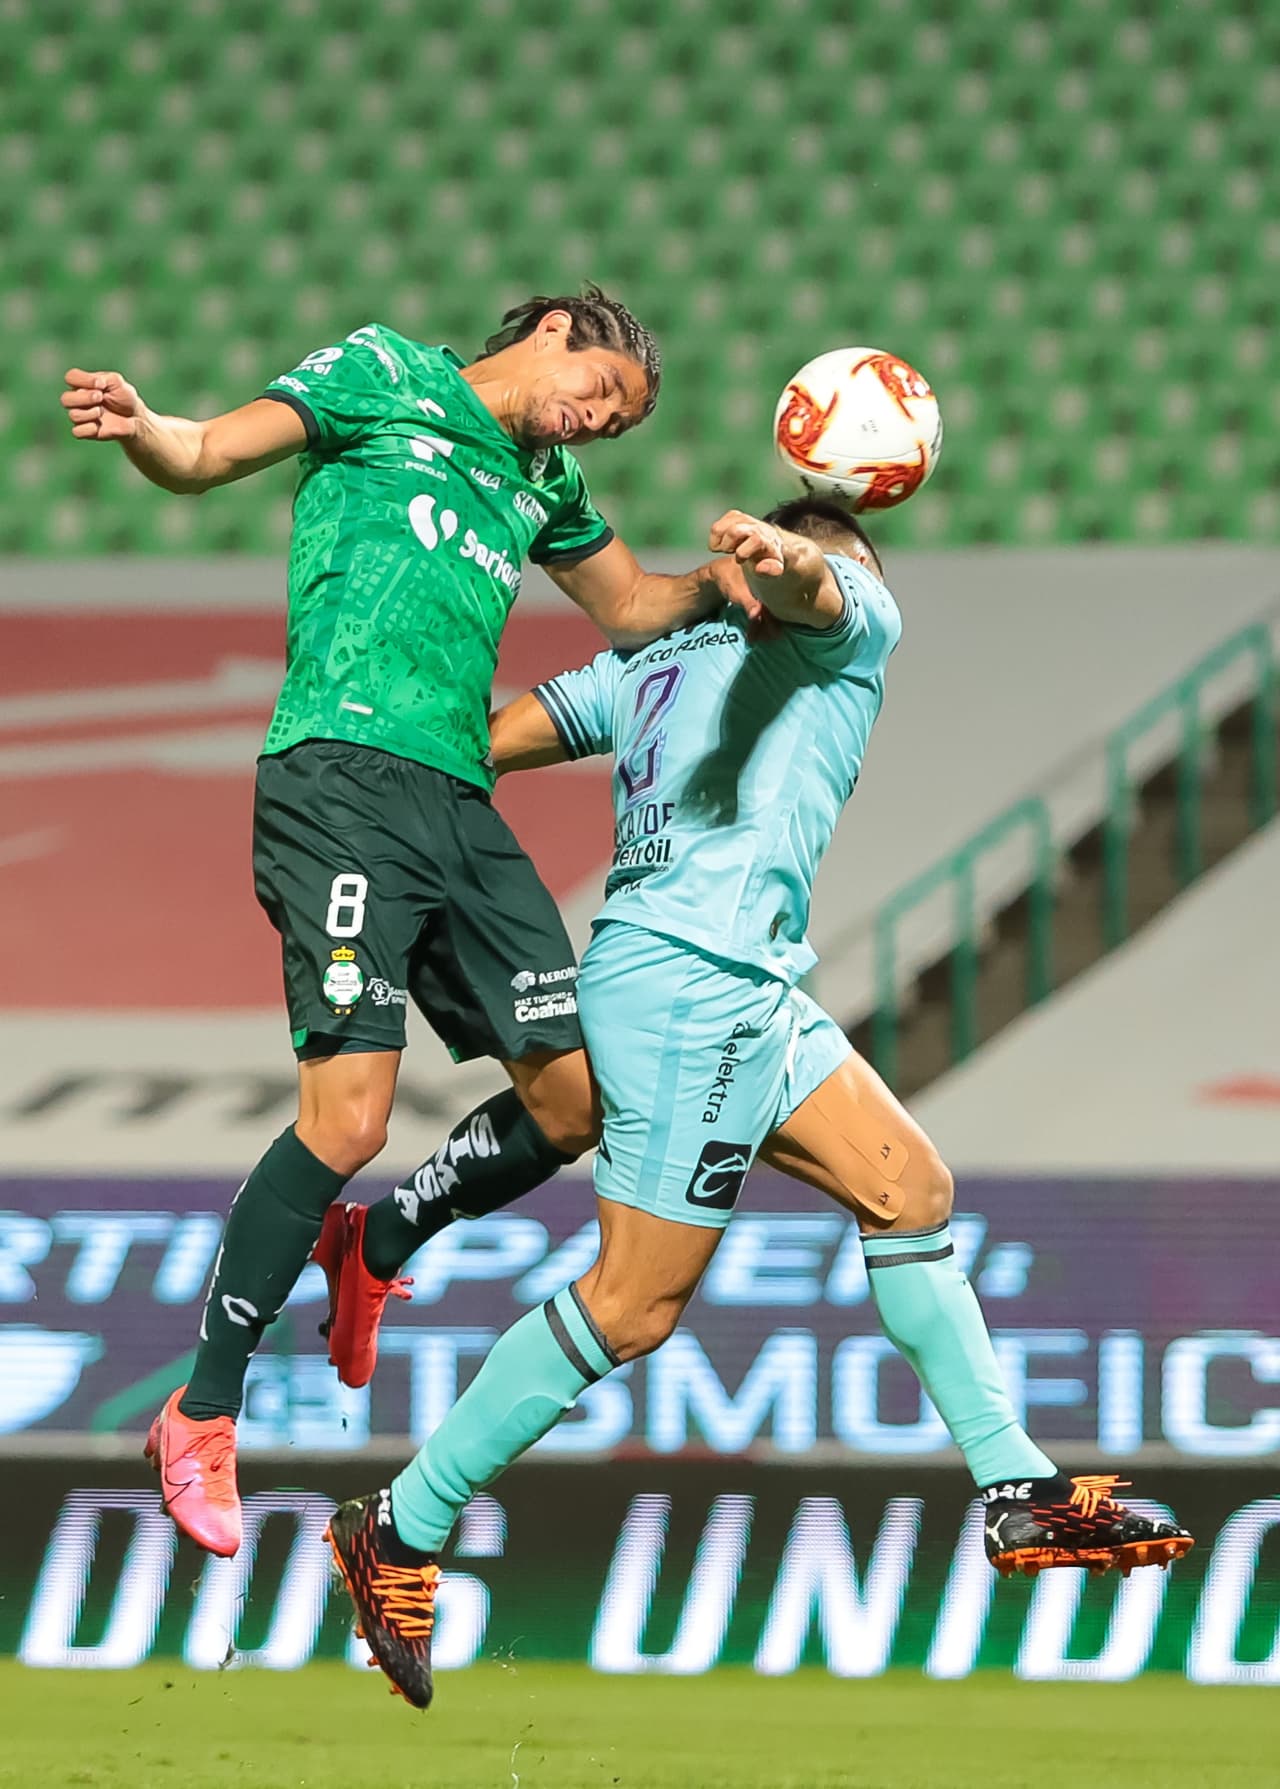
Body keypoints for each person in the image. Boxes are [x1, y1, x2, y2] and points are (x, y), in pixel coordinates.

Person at [323, 498, 1193, 1709]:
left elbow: (488, 737)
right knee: (629, 1306)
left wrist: (367, 749)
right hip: (691, 984)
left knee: (907, 1187)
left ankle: (1015, 1488)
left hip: (748, 982)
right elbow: (820, 593)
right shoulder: (849, 613)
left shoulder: (646, 662)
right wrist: (792, 562)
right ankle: (401, 1525)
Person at [61, 286, 763, 1558]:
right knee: (349, 1119)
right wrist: (146, 427)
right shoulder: (382, 372)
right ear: (553, 330)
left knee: (574, 1106)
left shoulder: (544, 481)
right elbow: (205, 453)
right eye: (602, 392)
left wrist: (720, 584)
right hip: (338, 776)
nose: (598, 424)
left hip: (457, 801)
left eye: (619, 424)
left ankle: (379, 1237)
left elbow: (628, 608)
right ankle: (200, 1412)